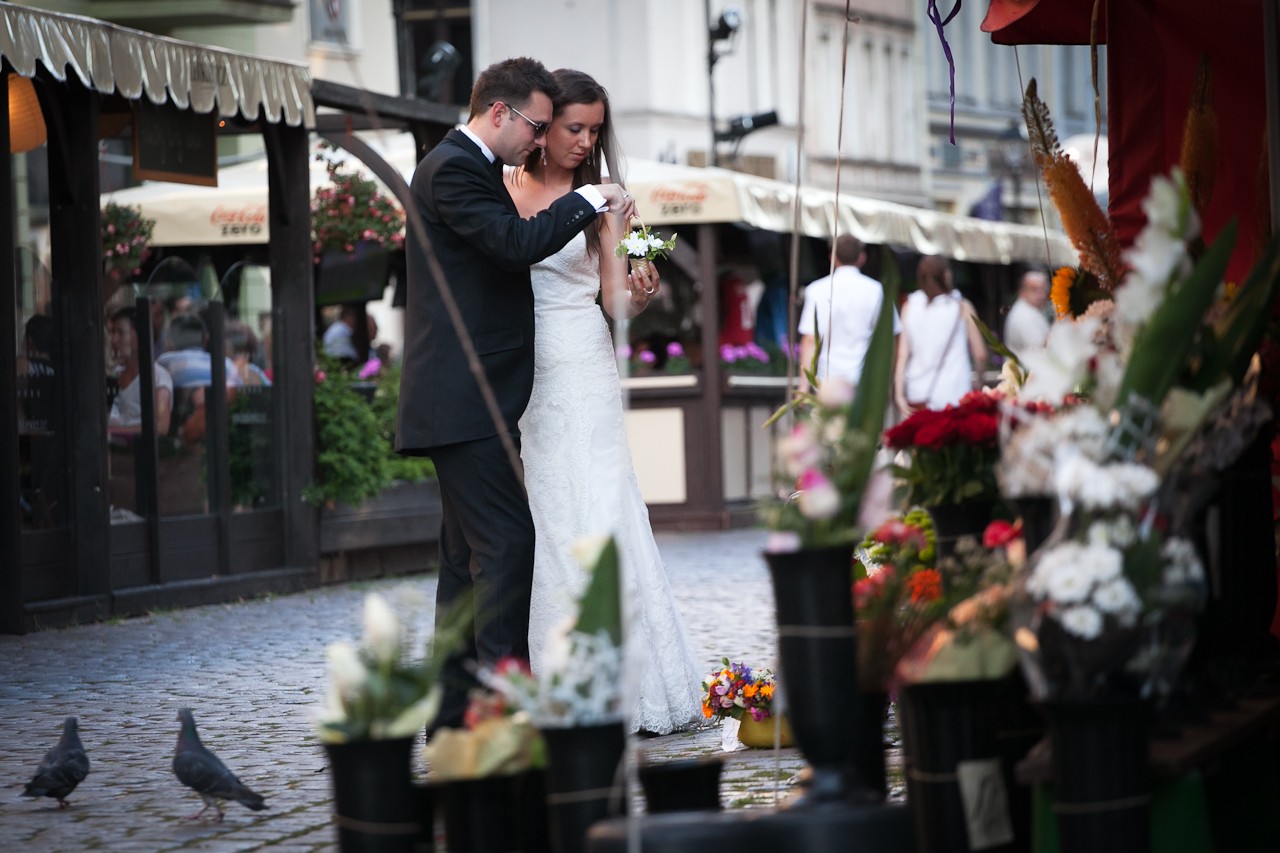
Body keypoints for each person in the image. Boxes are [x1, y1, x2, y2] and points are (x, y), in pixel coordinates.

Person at [396, 57, 637, 733]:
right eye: (547, 126)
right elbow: (512, 245)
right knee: (506, 543)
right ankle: (502, 713)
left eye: (584, 129)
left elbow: (615, 274)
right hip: (472, 391)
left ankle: (453, 716)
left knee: (465, 561)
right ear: (506, 115)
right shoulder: (466, 172)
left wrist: (632, 273)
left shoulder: (474, 168)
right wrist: (592, 199)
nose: (552, 140)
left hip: (516, 378)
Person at [505, 68, 704, 734]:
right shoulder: (504, 186)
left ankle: (631, 689)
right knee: (551, 516)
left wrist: (639, 292)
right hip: (527, 368)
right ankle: (561, 680)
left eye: (594, 130)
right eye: (573, 128)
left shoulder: (617, 200)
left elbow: (619, 298)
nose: (585, 142)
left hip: (584, 360)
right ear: (541, 125)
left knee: (604, 503)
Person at [796, 235, 900, 394]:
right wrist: (886, 380)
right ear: (862, 257)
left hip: (827, 381)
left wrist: (803, 386)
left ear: (832, 257)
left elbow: (810, 339)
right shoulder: (877, 291)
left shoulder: (816, 290)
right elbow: (890, 339)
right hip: (865, 380)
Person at [893, 255, 987, 414]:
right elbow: (980, 354)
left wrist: (899, 395)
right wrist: (979, 382)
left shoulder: (909, 306)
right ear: (946, 275)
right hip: (955, 394)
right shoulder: (962, 307)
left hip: (918, 395)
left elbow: (902, 354)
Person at [107, 305, 173, 436]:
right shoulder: (113, 375)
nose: (114, 340)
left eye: (120, 333)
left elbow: (160, 427)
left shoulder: (158, 377)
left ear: (139, 336)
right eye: (112, 333)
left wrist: (113, 432)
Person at [1003, 269, 1051, 360]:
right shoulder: (1024, 315)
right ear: (1021, 292)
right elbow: (1042, 348)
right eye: (1034, 289)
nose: (1041, 294)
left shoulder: (1032, 310)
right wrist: (1060, 321)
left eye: (1043, 289)